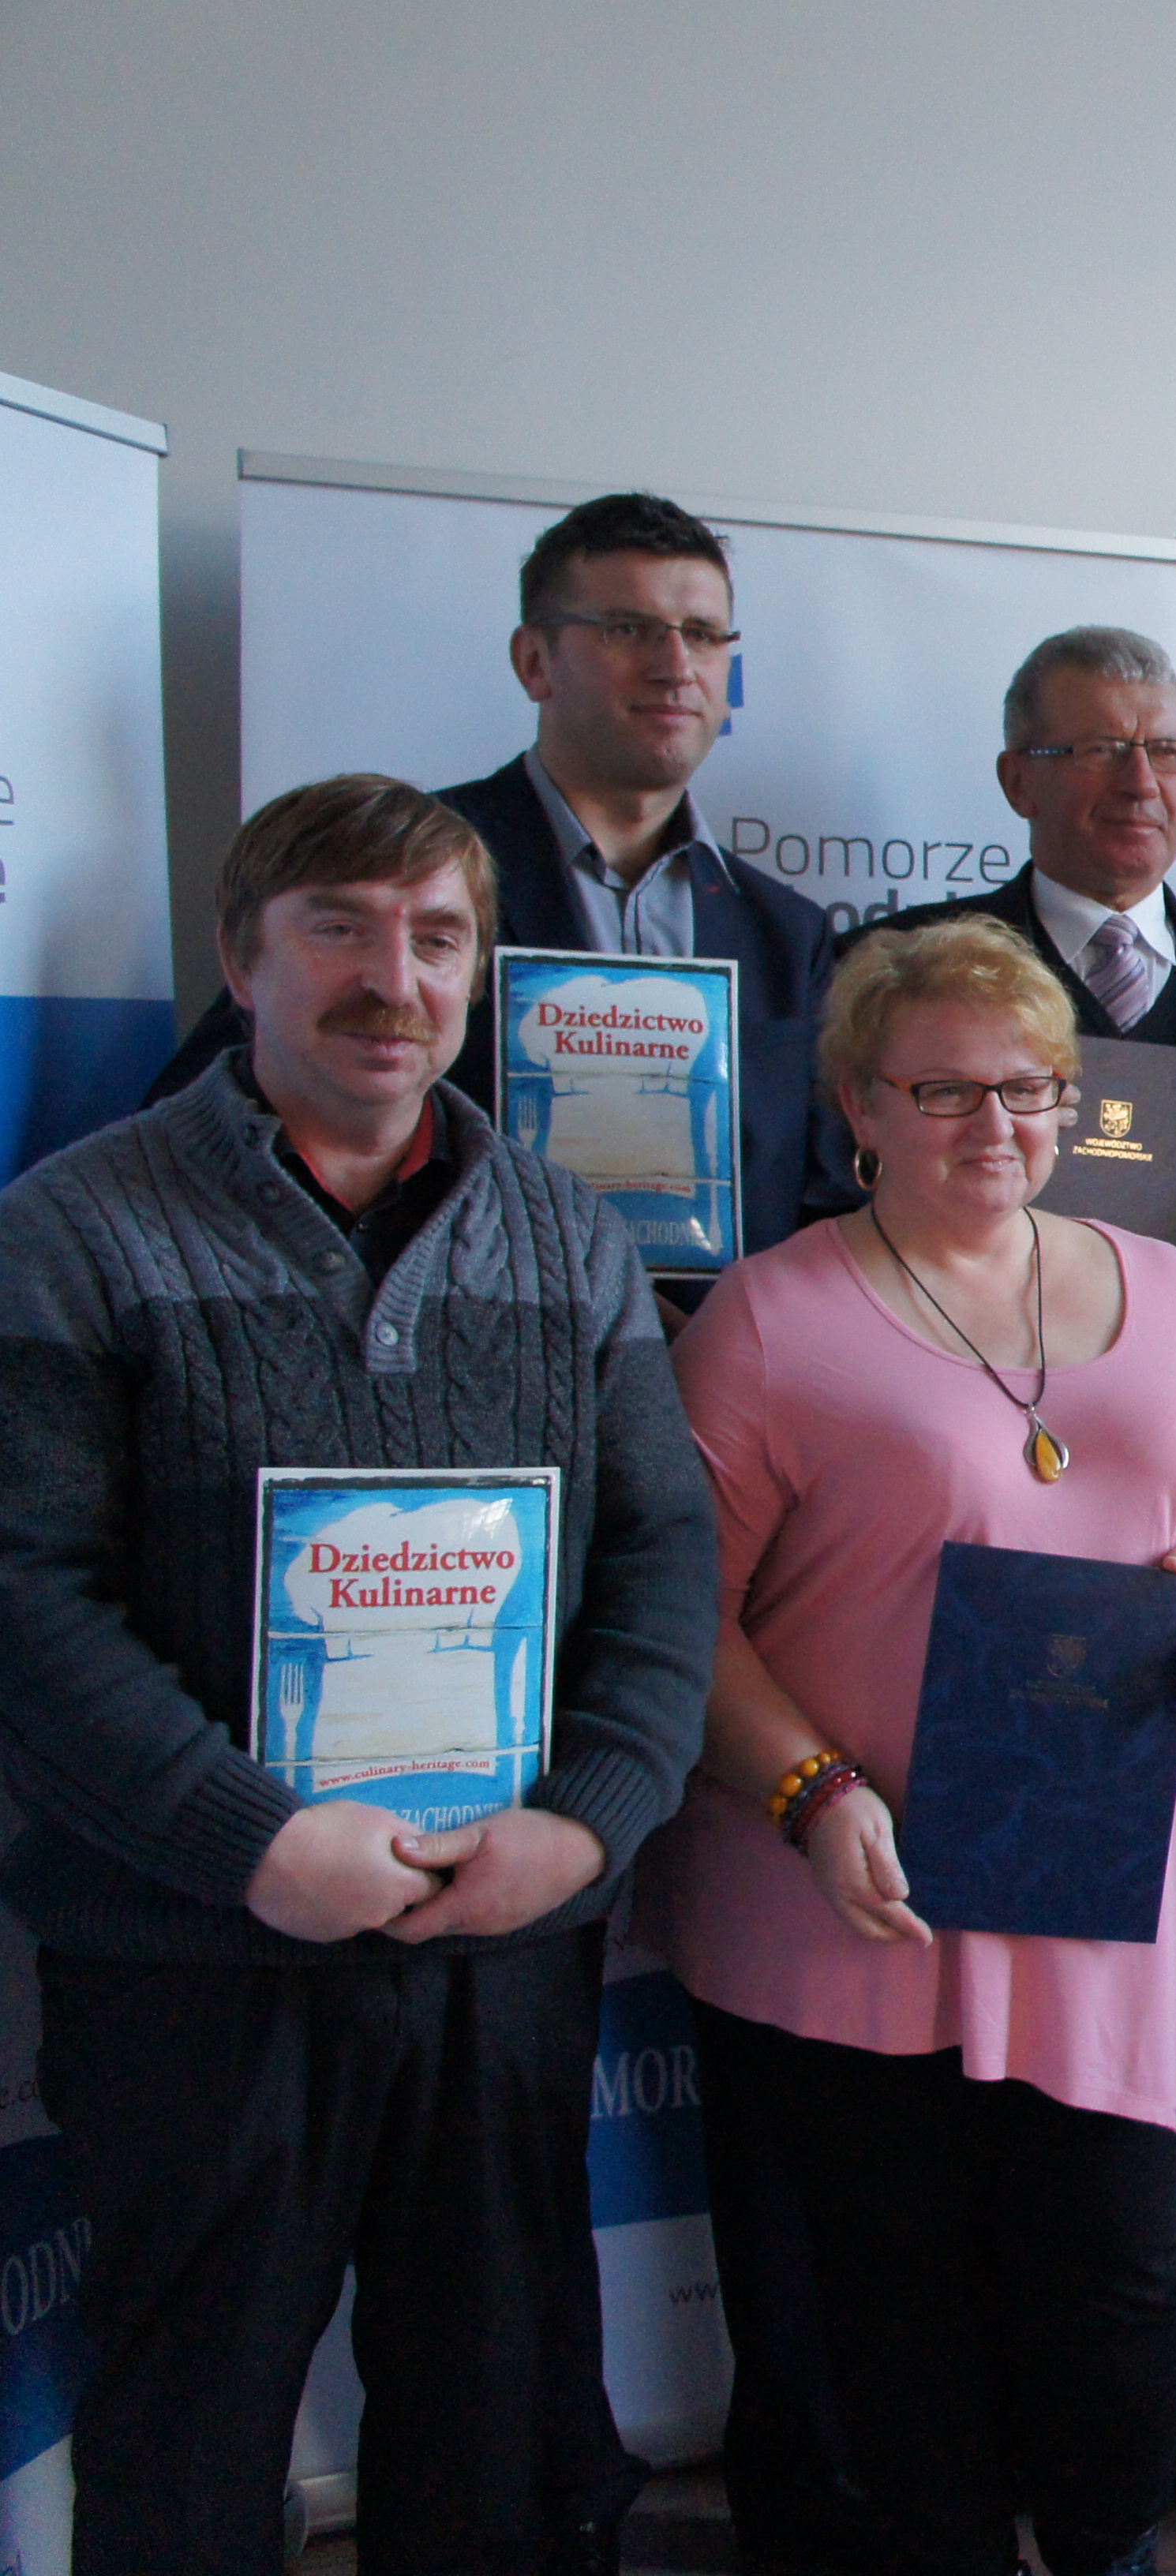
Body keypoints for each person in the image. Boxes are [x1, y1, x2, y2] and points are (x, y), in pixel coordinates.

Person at [0, 774, 716, 2573]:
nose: (394, 979)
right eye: (339, 927)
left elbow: (663, 1553)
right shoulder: (73, 1230)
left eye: (437, 936)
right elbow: (26, 1597)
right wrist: (249, 1837)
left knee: (494, 2419)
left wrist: (588, 1824)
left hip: (499, 1938)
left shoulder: (569, 1235)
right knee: (189, 2433)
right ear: (241, 959)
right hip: (194, 1954)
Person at [634, 914, 1176, 2576]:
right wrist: (809, 1791)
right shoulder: (767, 1321)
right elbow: (672, 1614)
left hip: (1121, 1887)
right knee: (900, 2304)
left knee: (1122, 2280)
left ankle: (1108, 2554)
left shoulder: (1173, 1292)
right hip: (862, 1893)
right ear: (857, 1108)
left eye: (1027, 1087)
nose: (994, 1123)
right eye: (941, 1090)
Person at [140, 492, 852, 1264]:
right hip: (449, 1320)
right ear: (534, 661)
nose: (675, 666)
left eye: (703, 635)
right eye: (627, 629)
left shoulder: (788, 934)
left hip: (724, 1340)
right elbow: (204, 1125)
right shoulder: (398, 874)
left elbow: (830, 1196)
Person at [873, 623, 1176, 1260]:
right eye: (1101, 750)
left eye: (1167, 751)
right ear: (1018, 781)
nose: (1141, 783)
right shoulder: (897, 969)